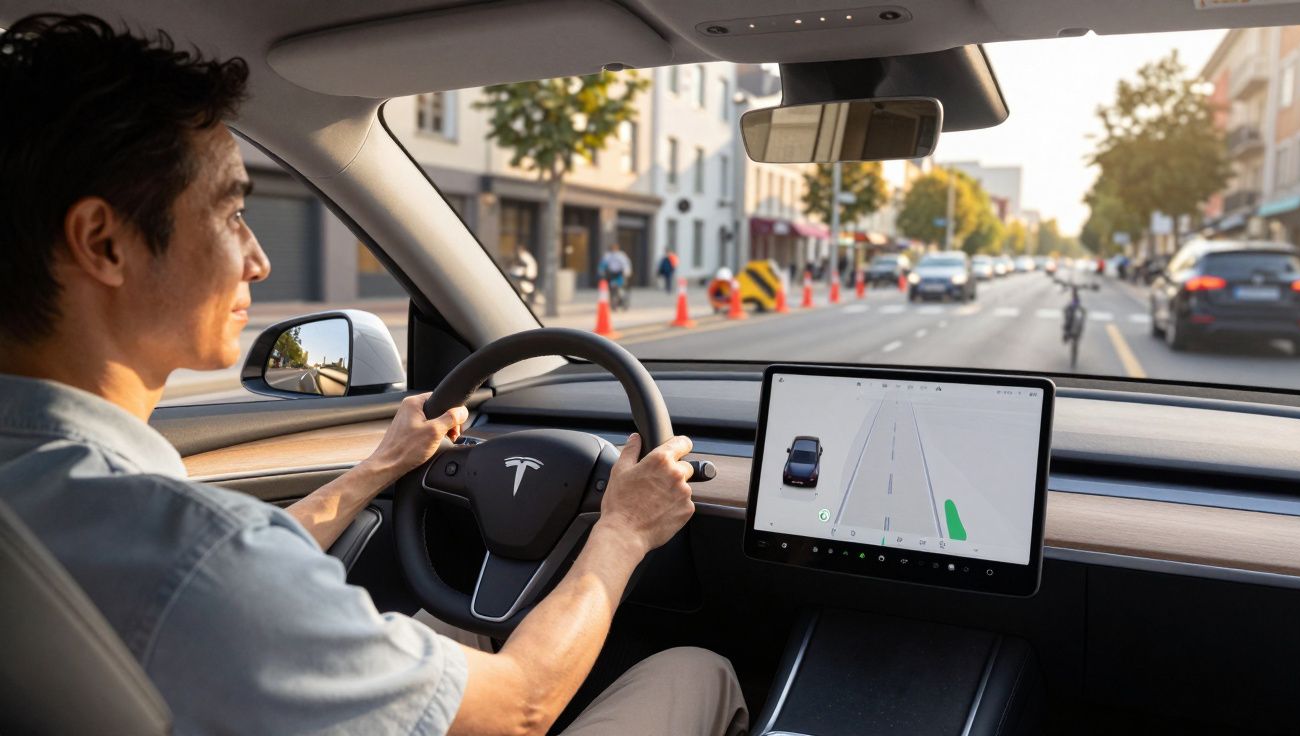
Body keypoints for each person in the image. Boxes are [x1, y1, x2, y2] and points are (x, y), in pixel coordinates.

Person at [0, 14, 748, 736]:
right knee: (694, 670)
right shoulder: (195, 553)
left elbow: (223, 573)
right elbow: (519, 710)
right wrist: (621, 530)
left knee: (461, 627)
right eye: (230, 214)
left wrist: (380, 467)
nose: (258, 259)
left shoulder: (73, 507)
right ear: (104, 243)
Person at [597, 243, 633, 311]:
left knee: (621, 287)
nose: (614, 250)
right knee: (612, 288)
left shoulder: (621, 255)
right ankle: (613, 302)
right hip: (612, 274)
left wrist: (627, 272)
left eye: (615, 248)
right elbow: (603, 264)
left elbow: (626, 264)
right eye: (613, 248)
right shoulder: (608, 255)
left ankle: (622, 300)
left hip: (620, 274)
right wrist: (601, 272)